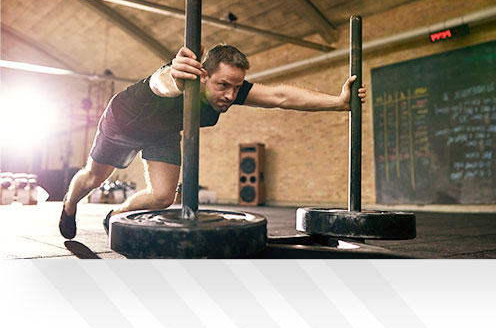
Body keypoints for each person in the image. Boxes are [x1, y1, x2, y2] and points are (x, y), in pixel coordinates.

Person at [59, 44, 367, 239]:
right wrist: (175, 76)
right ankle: (69, 204)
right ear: (203, 75)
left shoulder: (230, 89)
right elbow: (162, 82)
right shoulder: (182, 78)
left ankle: (113, 217)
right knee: (93, 178)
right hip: (123, 121)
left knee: (163, 196)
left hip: (162, 133)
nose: (231, 96)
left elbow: (279, 95)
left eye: (236, 87)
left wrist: (338, 103)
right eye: (223, 85)